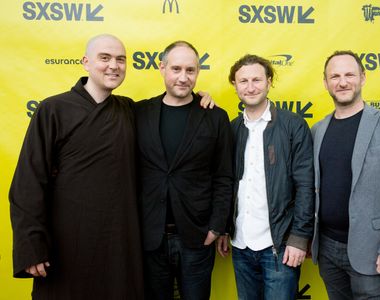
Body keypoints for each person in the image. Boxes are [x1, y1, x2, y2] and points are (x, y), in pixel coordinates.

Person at [9, 34, 145, 299]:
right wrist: (31, 247)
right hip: (65, 243)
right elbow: (28, 183)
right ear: (85, 62)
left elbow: (171, 110)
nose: (113, 66)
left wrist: (199, 100)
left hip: (119, 242)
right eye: (104, 58)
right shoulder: (53, 109)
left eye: (120, 59)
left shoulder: (129, 110)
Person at [310, 50, 380, 299]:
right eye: (335, 76)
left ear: (362, 77)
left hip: (372, 250)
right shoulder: (318, 130)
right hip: (327, 249)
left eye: (349, 74)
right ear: (326, 82)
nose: (342, 82)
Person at [135, 41, 233, 300]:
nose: (183, 77)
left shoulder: (215, 117)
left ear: (198, 72)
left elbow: (224, 176)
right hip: (150, 237)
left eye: (190, 70)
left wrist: (217, 226)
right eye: (176, 68)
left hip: (197, 236)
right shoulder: (138, 112)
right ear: (162, 68)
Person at [216, 54, 315, 300]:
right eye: (243, 81)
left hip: (280, 247)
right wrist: (224, 229)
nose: (250, 87)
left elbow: (306, 185)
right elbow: (226, 183)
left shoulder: (293, 126)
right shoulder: (231, 128)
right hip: (241, 246)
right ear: (235, 86)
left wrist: (300, 237)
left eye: (257, 80)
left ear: (269, 81)